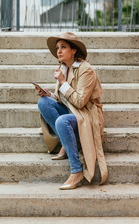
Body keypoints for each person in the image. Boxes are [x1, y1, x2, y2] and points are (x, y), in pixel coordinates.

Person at [36, 32, 108, 190]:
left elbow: (81, 102)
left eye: (63, 47)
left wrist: (62, 81)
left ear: (74, 50)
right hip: (73, 114)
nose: (58, 51)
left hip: (87, 116)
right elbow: (65, 100)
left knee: (62, 121)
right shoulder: (64, 68)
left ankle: (77, 171)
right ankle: (66, 142)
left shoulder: (86, 70)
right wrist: (50, 95)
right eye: (57, 48)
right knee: (43, 103)